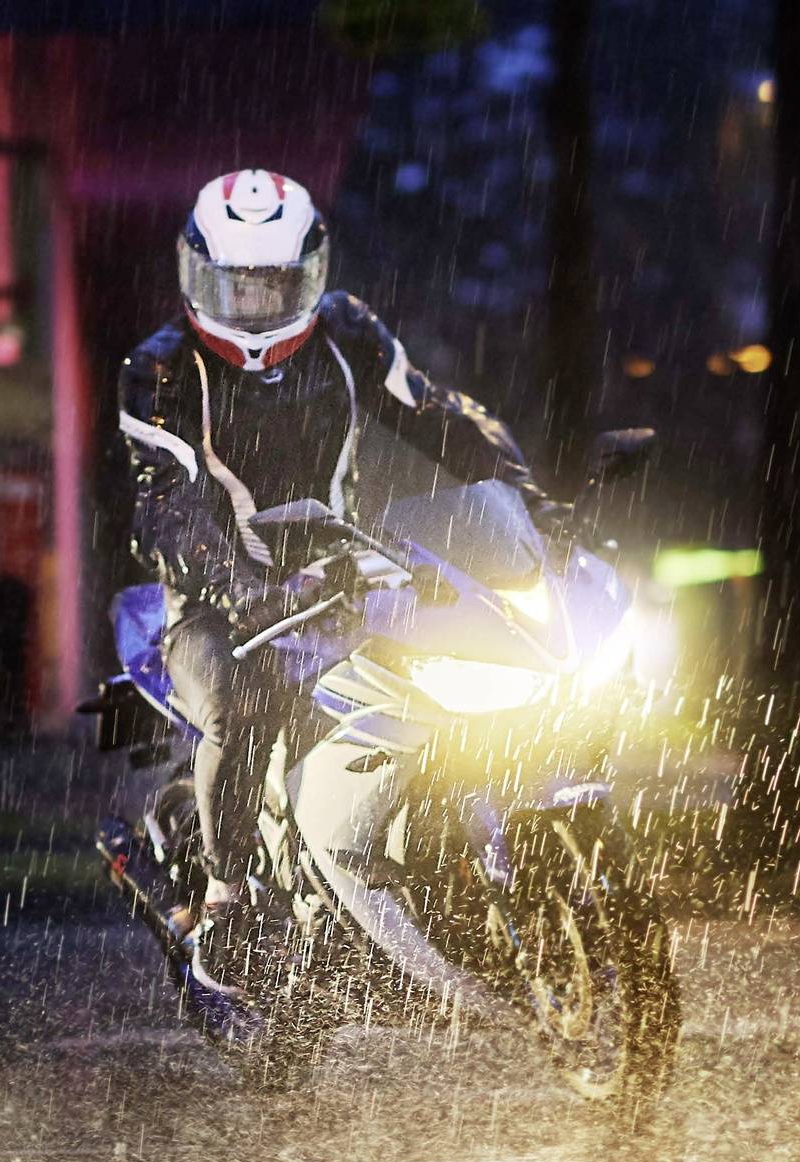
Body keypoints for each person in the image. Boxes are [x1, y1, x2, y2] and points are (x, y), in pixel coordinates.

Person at [119, 168, 552, 995]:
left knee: (460, 662)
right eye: (237, 284)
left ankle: (420, 875)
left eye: (274, 281)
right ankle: (226, 901)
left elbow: (439, 419)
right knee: (242, 702)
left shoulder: (347, 331)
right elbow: (165, 509)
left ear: (309, 271)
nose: (255, 302)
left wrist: (533, 505)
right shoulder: (160, 370)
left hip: (346, 566)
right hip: (215, 601)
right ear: (199, 274)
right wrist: (245, 590)